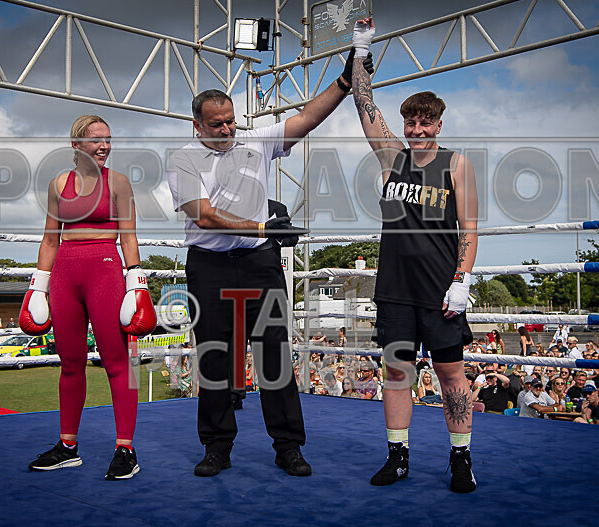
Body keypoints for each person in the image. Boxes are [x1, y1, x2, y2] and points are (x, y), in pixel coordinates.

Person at [164, 46, 373, 478]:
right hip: (210, 264)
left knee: (275, 358)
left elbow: (306, 119)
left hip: (260, 264)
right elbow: (201, 214)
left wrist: (344, 82)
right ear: (197, 124)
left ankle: (288, 447)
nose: (227, 128)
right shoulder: (183, 158)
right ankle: (217, 447)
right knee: (216, 359)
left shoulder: (256, 141)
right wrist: (263, 230)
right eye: (216, 123)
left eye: (230, 120)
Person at [350, 18, 479, 493]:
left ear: (439, 125)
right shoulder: (391, 156)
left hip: (441, 289)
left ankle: (461, 458)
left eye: (426, 122)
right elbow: (364, 103)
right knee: (397, 372)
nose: (417, 129)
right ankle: (397, 455)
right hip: (396, 289)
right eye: (411, 122)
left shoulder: (456, 164)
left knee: (450, 375)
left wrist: (462, 279)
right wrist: (362, 47)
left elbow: (470, 228)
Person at [24, 115, 155, 481]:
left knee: (117, 362)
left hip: (106, 269)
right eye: (96, 139)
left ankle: (125, 448)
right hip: (65, 272)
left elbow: (128, 237)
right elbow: (50, 239)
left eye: (108, 139)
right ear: (76, 144)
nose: (104, 145)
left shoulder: (118, 183)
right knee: (69, 362)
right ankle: (68, 447)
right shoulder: (57, 185)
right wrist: (38, 285)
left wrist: (136, 283)